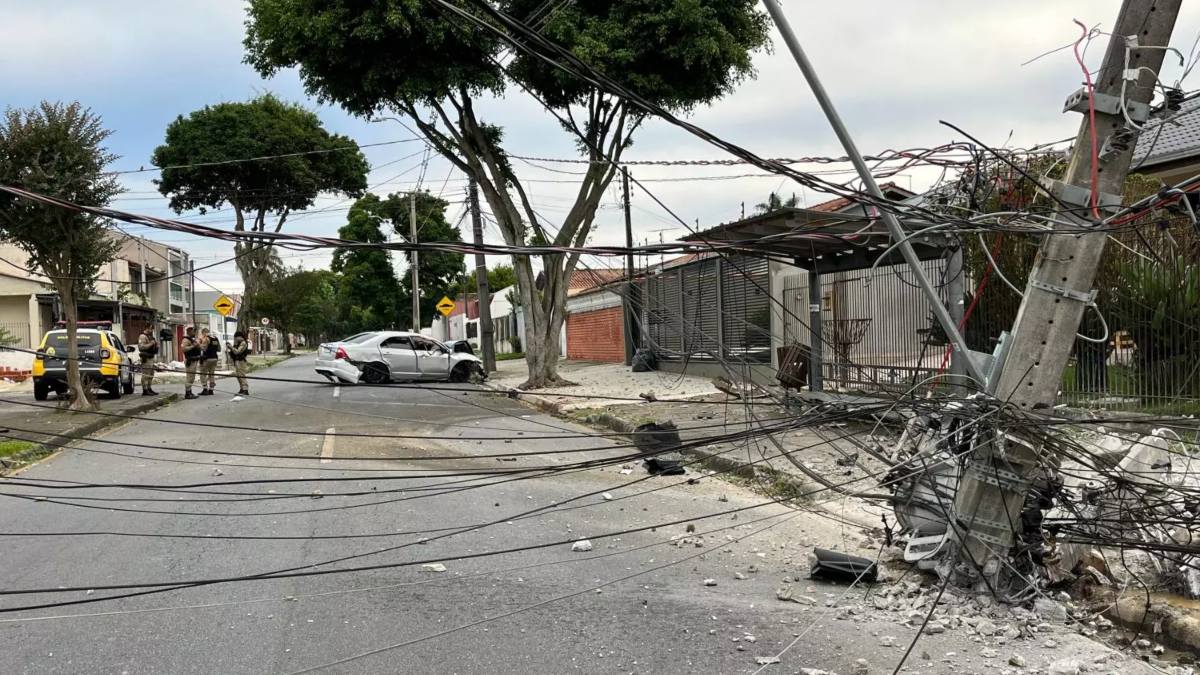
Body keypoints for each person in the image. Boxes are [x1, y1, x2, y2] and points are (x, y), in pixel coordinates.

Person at [136, 326, 159, 396]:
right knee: (146, 374)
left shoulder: (150, 336)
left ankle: (149, 388)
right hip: (146, 358)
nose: (152, 330)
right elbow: (141, 347)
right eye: (150, 329)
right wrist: (151, 344)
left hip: (151, 357)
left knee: (151, 374)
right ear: (147, 328)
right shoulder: (142, 336)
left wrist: (156, 346)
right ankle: (145, 389)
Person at [181, 326, 201, 400]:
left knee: (192, 377)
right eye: (193, 331)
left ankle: (190, 392)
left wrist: (197, 345)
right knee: (189, 377)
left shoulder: (192, 340)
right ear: (189, 332)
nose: (194, 333)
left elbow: (199, 348)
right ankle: (187, 393)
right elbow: (184, 349)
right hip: (190, 360)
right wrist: (193, 346)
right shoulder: (185, 340)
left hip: (194, 360)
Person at [228, 330, 251, 395]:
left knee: (241, 375)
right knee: (238, 376)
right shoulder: (238, 343)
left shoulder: (243, 343)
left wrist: (231, 347)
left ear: (239, 337)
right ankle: (242, 389)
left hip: (241, 361)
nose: (235, 339)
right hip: (237, 361)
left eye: (236, 338)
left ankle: (245, 389)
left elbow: (237, 352)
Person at [199, 328, 220, 395]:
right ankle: (211, 390)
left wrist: (199, 344)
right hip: (215, 358)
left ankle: (205, 389)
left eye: (202, 334)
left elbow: (204, 348)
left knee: (203, 374)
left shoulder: (206, 338)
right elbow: (219, 349)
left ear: (204, 333)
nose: (202, 335)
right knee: (211, 374)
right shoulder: (215, 338)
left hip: (207, 358)